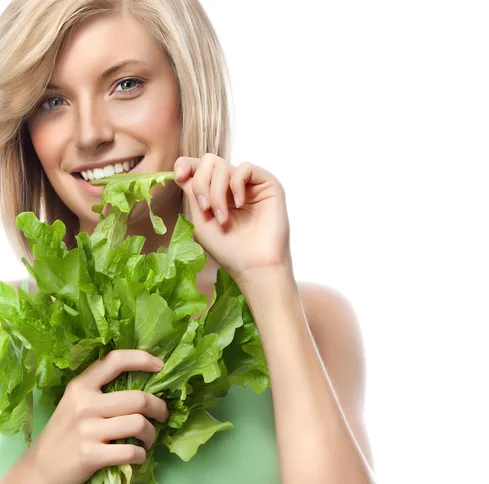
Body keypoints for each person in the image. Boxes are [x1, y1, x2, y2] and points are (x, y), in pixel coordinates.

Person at [0, 0, 375, 483]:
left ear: (189, 90)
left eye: (126, 85)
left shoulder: (316, 319)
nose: (91, 134)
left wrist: (265, 277)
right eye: (54, 101)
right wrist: (41, 472)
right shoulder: (9, 328)